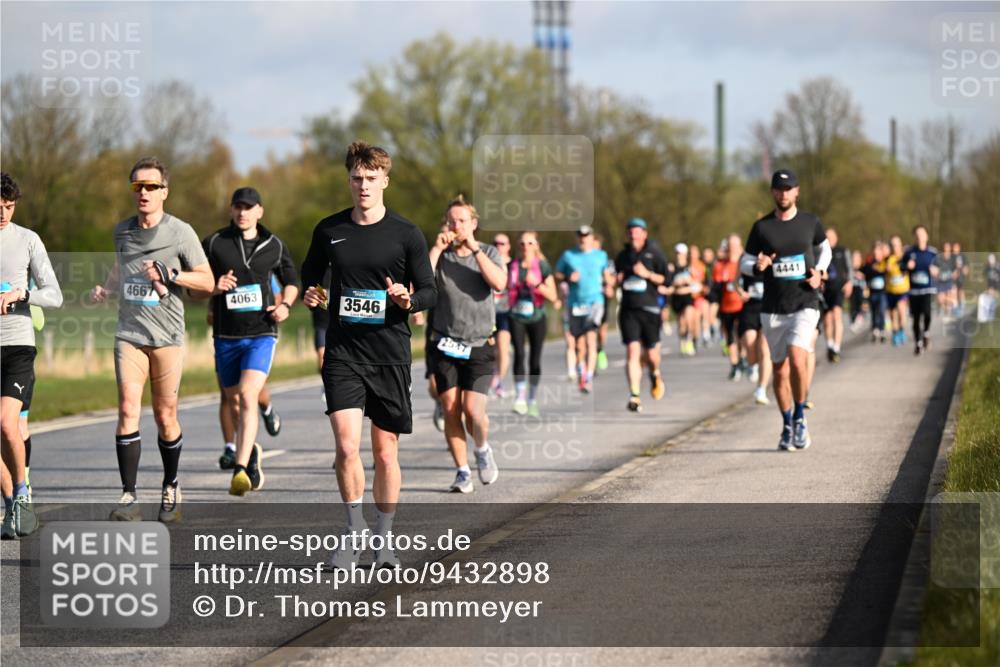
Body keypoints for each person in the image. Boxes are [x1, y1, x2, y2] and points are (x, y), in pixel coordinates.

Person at [300, 141, 436, 570]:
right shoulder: (329, 229)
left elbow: (429, 290)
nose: (363, 186)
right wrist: (312, 291)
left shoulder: (406, 233)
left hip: (389, 353)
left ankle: (384, 538)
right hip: (343, 352)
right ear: (349, 180)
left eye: (371, 179)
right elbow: (310, 272)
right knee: (345, 446)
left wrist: (406, 301)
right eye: (357, 178)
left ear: (385, 182)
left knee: (385, 454)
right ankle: (353, 531)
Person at [90, 157, 215, 523]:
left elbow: (206, 282)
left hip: (167, 337)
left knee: (165, 415)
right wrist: (107, 289)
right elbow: (121, 265)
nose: (143, 193)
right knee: (128, 408)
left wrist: (171, 274)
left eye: (150, 186)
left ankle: (171, 484)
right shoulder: (122, 231)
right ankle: (129, 496)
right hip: (129, 334)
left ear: (164, 191)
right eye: (137, 187)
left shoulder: (181, 232)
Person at [201, 187, 299, 495]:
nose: (243, 212)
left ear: (260, 211)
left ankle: (240, 470)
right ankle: (251, 450)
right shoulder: (215, 243)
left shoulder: (274, 245)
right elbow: (195, 284)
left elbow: (292, 282)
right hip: (226, 336)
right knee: (232, 401)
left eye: (249, 207)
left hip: (261, 333)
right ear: (231, 210)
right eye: (237, 207)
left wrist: (284, 306)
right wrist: (213, 288)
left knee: (247, 394)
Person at [740, 170, 831, 451]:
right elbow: (744, 262)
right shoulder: (762, 228)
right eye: (778, 189)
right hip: (773, 307)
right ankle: (787, 422)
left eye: (788, 188)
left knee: (797, 356)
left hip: (805, 301)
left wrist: (821, 272)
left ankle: (801, 416)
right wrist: (758, 266)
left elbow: (824, 249)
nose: (783, 193)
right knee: (779, 371)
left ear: (797, 192)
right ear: (772, 193)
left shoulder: (810, 222)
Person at [428, 196, 506, 493]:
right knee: (450, 408)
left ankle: (482, 449)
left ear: (473, 224)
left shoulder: (487, 252)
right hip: (445, 342)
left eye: (462, 221)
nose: (456, 226)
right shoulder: (441, 256)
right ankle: (462, 471)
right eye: (451, 221)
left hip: (480, 344)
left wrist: (474, 249)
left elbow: (499, 283)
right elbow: (419, 281)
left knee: (473, 411)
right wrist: (436, 248)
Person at [1, 173, 63, 539]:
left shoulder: (27, 240)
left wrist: (23, 295)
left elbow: (54, 295)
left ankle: (23, 493)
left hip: (18, 345)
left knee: (8, 424)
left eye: (9, 207)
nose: (4, 214)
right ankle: (11, 506)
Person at [615, 218, 669, 413]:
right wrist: (616, 280)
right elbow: (616, 279)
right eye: (630, 231)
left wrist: (647, 274)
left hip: (650, 309)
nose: (633, 235)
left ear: (644, 233)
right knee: (632, 352)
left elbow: (666, 280)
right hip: (629, 310)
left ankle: (655, 373)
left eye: (637, 231)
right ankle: (634, 395)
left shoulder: (655, 253)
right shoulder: (622, 256)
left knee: (652, 356)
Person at [555, 225, 614, 393]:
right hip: (575, 304)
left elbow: (607, 276)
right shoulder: (568, 256)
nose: (583, 238)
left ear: (591, 237)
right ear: (577, 238)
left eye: (586, 235)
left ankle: (587, 377)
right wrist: (567, 277)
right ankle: (582, 371)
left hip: (595, 301)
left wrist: (609, 285)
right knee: (579, 344)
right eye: (580, 236)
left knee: (591, 339)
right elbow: (557, 274)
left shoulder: (600, 256)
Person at [508, 231, 560, 417]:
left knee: (535, 359)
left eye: (530, 243)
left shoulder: (543, 266)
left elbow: (553, 296)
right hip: (516, 316)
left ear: (536, 246)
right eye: (522, 243)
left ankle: (532, 398)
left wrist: (536, 283)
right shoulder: (512, 266)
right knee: (519, 354)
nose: (526, 247)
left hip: (537, 317)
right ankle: (520, 397)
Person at [901, 225, 938, 355]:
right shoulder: (909, 253)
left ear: (926, 236)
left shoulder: (933, 253)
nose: (920, 237)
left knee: (927, 313)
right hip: (914, 291)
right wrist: (907, 266)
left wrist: (935, 271)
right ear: (914, 238)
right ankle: (918, 343)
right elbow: (901, 268)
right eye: (917, 235)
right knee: (916, 318)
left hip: (928, 289)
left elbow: (940, 269)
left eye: (922, 234)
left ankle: (926, 333)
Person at [713, 234, 746, 380]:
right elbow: (716, 284)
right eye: (730, 245)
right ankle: (734, 365)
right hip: (726, 306)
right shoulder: (721, 265)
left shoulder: (744, 263)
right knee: (730, 336)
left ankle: (743, 359)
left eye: (735, 245)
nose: (732, 248)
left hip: (742, 305)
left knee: (742, 335)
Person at [821, 228, 852, 363]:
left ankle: (837, 347)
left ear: (836, 238)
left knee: (837, 314)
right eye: (827, 237)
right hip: (825, 290)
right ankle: (830, 344)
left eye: (832, 237)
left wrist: (849, 283)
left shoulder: (842, 251)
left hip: (839, 289)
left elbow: (849, 268)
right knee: (827, 319)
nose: (830, 239)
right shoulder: (820, 251)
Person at [489, 233, 513, 398]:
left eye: (502, 243)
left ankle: (497, 381)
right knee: (490, 352)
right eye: (496, 243)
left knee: (503, 350)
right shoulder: (486, 263)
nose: (499, 246)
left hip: (506, 312)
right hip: (487, 312)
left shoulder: (514, 265)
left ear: (508, 246)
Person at [669, 243, 698, 357]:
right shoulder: (671, 268)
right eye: (677, 253)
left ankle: (690, 341)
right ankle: (683, 340)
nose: (679, 256)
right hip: (676, 298)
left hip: (687, 298)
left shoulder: (690, 268)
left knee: (689, 319)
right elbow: (668, 286)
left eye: (681, 254)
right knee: (681, 324)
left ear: (685, 254)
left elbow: (697, 286)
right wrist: (676, 283)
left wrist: (689, 283)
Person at [884, 235, 910, 346]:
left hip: (903, 290)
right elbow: (880, 270)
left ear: (900, 245)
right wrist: (885, 269)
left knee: (901, 309)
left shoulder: (905, 257)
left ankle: (902, 330)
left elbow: (910, 268)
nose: (895, 247)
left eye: (897, 245)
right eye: (892, 245)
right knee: (892, 314)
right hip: (890, 290)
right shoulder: (888, 259)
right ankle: (895, 333)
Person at [863, 241, 888, 343]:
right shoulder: (869, 264)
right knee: (874, 311)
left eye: (879, 251)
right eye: (875, 252)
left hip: (882, 292)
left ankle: (881, 330)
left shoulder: (885, 263)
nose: (877, 254)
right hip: (873, 291)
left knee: (881, 310)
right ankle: (875, 329)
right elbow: (865, 272)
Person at [848, 249, 867, 333]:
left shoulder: (864, 268)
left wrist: (862, 275)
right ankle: (853, 320)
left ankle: (860, 318)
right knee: (853, 307)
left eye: (857, 258)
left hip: (862, 290)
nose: (855, 260)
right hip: (853, 290)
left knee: (862, 305)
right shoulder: (849, 269)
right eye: (853, 258)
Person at [953, 242, 968, 317]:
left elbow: (966, 266)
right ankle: (955, 307)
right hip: (953, 277)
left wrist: (965, 271)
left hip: (961, 276)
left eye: (956, 247)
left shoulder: (962, 256)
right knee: (954, 290)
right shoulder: (951, 256)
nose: (954, 249)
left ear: (959, 248)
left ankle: (962, 305)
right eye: (954, 247)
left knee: (961, 291)